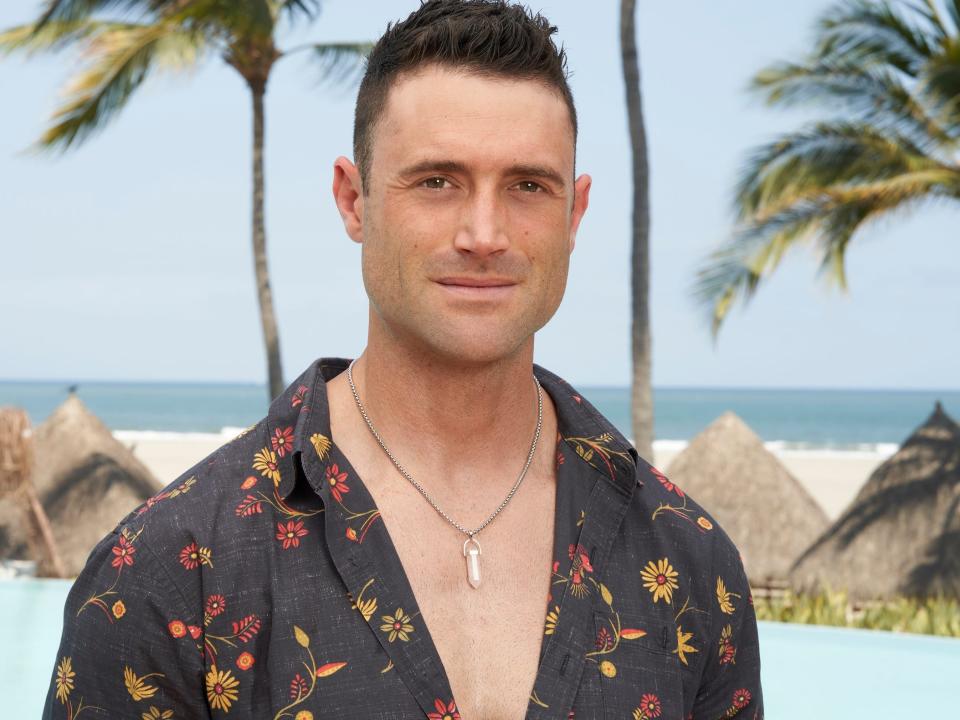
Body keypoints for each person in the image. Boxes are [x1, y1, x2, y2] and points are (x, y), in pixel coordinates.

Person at [42, 1, 763, 718]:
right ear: (353, 201)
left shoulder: (689, 561)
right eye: (437, 181)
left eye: (526, 186)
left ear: (573, 215)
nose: (484, 234)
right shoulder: (172, 569)